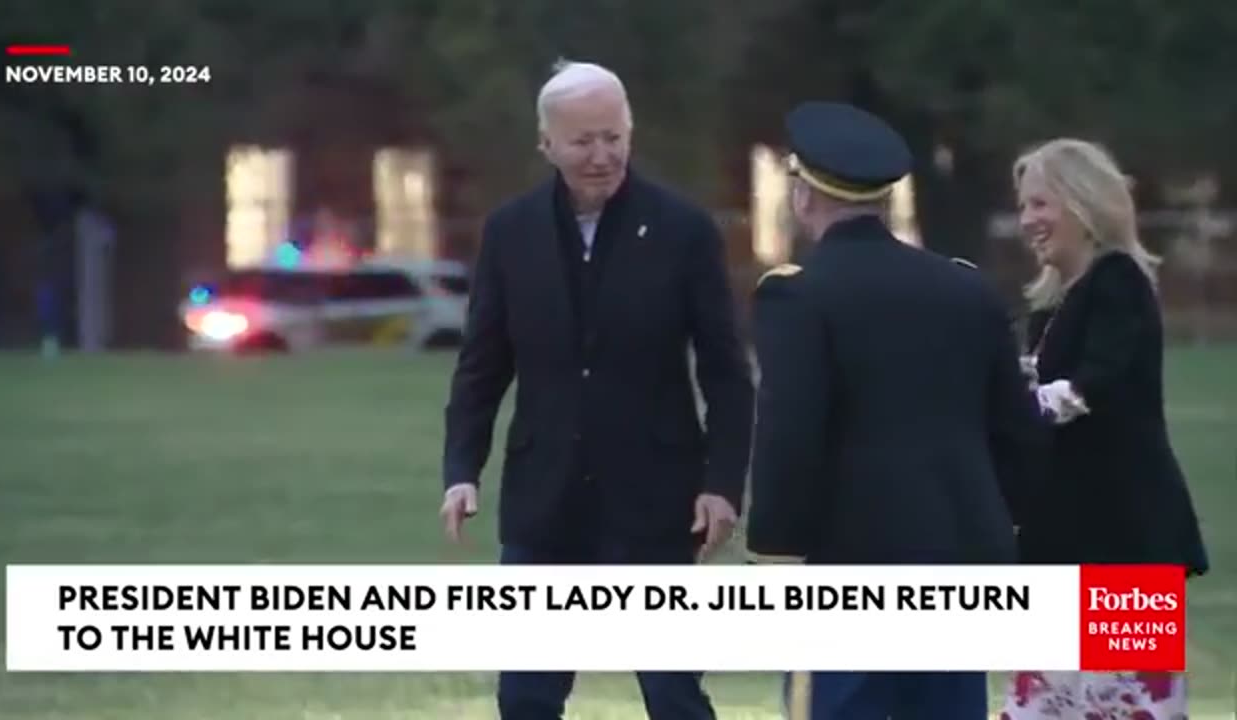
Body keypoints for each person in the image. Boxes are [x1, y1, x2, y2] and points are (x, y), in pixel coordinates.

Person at [439, 59, 755, 720]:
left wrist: (722, 483)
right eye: (583, 141)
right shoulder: (510, 232)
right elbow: (482, 363)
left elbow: (725, 371)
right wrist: (462, 469)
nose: (601, 155)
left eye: (614, 136)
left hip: (656, 500)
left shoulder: (683, 230)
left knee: (672, 692)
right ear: (547, 145)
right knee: (526, 694)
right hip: (545, 498)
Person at [744, 101, 1046, 720]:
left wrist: (774, 553)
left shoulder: (798, 293)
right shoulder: (966, 288)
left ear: (803, 195)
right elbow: (1017, 435)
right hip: (960, 562)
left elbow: (789, 436)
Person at [1000, 138, 1209, 719]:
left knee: (1122, 705)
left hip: (1120, 539)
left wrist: (1010, 408)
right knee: (1049, 705)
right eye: (1022, 207)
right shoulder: (1051, 305)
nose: (1027, 221)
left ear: (1083, 202)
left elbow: (1091, 387)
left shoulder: (1117, 280)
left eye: (1040, 204)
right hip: (1058, 540)